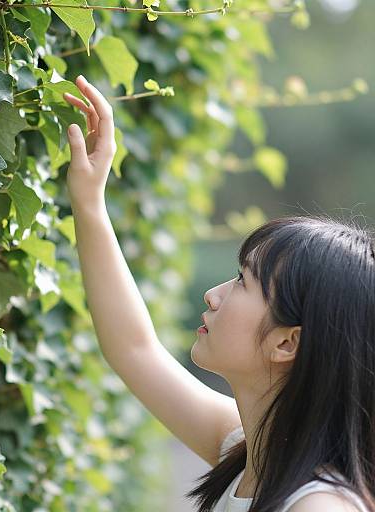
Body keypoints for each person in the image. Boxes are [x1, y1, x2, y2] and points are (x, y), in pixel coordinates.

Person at [63, 75, 374, 512]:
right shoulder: (252, 454)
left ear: (288, 341)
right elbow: (134, 349)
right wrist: (90, 200)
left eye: (244, 282)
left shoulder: (319, 504)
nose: (213, 294)